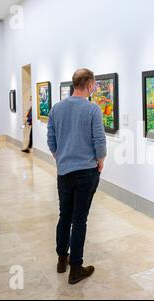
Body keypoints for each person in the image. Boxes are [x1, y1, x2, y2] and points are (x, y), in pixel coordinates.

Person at [47, 68, 106, 285]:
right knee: (79, 219)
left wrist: (60, 157)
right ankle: (76, 268)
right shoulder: (92, 109)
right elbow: (99, 141)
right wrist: (101, 161)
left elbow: (51, 140)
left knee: (65, 215)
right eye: (94, 85)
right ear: (89, 85)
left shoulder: (56, 109)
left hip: (64, 172)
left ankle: (62, 259)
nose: (94, 88)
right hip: (86, 172)